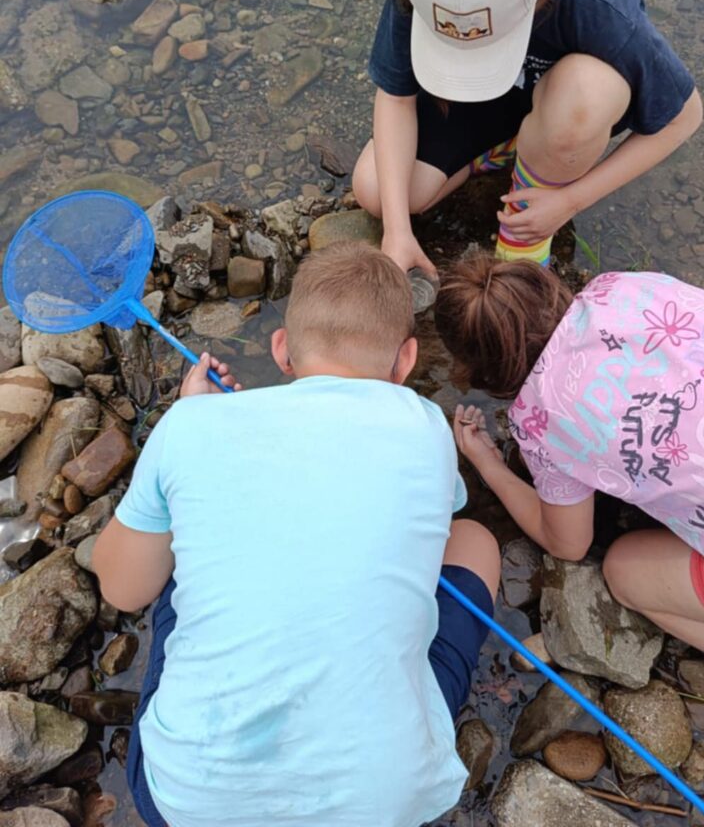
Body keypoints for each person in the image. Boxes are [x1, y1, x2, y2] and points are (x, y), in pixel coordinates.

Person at [91, 242, 500, 827]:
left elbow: (123, 590)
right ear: (405, 362)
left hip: (190, 802)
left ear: (281, 350)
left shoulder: (191, 424)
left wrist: (190, 419)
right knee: (476, 542)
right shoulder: (427, 424)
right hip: (382, 805)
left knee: (183, 548)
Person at [353, 0, 703, 277]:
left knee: (589, 90)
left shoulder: (598, 5)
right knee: (375, 190)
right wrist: (397, 232)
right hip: (481, 99)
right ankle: (502, 149)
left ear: (535, 1)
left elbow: (684, 116)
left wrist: (569, 202)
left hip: (564, 104)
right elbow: (397, 96)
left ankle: (528, 215)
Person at [433, 254, 704, 673]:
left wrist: (489, 465)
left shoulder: (542, 415)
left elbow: (567, 543)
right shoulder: (626, 285)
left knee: (623, 568)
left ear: (479, 371)